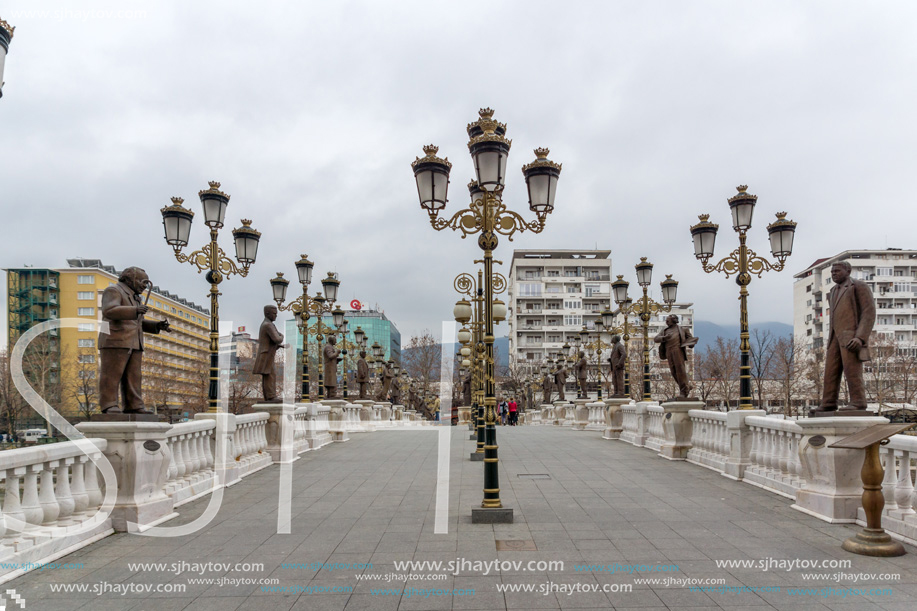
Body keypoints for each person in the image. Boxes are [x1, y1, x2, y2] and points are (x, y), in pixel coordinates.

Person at [99, 266, 171, 414]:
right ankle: (108, 405)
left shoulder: (135, 297)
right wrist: (135, 310)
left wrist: (157, 325)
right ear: (131, 279)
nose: (145, 286)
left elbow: (137, 322)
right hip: (115, 340)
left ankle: (134, 405)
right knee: (112, 375)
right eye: (143, 282)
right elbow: (109, 311)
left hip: (134, 342)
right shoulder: (114, 290)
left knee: (134, 376)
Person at [816, 261, 876, 412]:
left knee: (852, 371)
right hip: (834, 337)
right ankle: (828, 403)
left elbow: (868, 313)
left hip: (851, 337)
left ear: (847, 271)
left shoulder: (858, 286)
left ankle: (858, 401)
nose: (833, 273)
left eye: (837, 271)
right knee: (830, 371)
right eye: (832, 272)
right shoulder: (833, 290)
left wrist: (860, 338)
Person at [653, 314, 697, 398]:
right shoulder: (665, 330)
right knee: (673, 372)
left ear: (673, 321)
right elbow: (656, 339)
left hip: (678, 350)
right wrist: (664, 338)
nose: (666, 322)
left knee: (680, 370)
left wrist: (691, 344)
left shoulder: (683, 329)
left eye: (668, 320)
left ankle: (684, 391)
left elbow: (690, 339)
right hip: (668, 351)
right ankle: (686, 386)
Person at [253, 305, 284, 402]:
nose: (276, 316)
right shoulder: (268, 325)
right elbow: (277, 339)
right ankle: (271, 396)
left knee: (269, 375)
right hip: (266, 355)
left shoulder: (267, 324)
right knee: (270, 374)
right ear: (267, 313)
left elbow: (270, 341)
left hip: (267, 354)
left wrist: (277, 345)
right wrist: (281, 336)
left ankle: (269, 396)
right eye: (274, 313)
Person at [322, 335, 342, 399]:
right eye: (335, 340)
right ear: (332, 340)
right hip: (330, 368)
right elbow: (330, 356)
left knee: (331, 380)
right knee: (331, 380)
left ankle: (330, 394)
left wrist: (336, 360)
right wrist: (337, 353)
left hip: (331, 367)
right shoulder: (328, 347)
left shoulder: (330, 347)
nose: (336, 341)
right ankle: (332, 394)